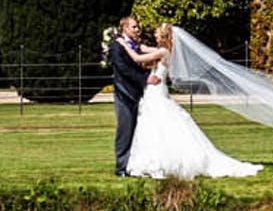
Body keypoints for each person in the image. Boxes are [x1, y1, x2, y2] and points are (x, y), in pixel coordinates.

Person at [124, 24, 263, 179]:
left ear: (163, 37)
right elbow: (143, 49)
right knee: (153, 125)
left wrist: (123, 45)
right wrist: (133, 42)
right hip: (154, 91)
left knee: (158, 125)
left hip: (156, 92)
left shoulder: (163, 51)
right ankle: (152, 162)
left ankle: (159, 162)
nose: (155, 37)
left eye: (157, 35)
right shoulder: (163, 51)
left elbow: (138, 57)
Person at [108, 14, 159, 177]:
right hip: (125, 93)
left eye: (137, 26)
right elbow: (124, 70)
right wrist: (146, 79)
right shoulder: (117, 46)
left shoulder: (135, 45)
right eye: (134, 27)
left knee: (139, 131)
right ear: (124, 28)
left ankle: (135, 165)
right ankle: (121, 166)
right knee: (126, 129)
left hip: (139, 93)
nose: (138, 29)